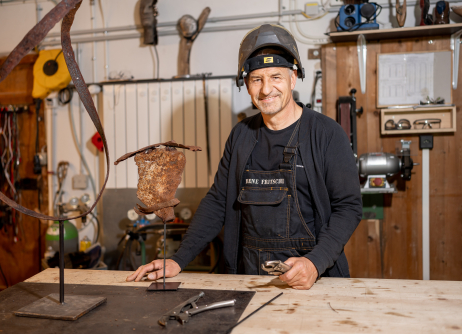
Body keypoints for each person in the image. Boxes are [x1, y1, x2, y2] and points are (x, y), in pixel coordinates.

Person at [126, 24, 362, 290]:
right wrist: (178, 259)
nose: (266, 89)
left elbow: (349, 208)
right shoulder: (241, 136)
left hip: (314, 277)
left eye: (276, 77)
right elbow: (218, 202)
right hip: (249, 277)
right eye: (256, 79)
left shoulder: (326, 134)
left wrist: (315, 263)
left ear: (293, 78)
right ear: (246, 84)